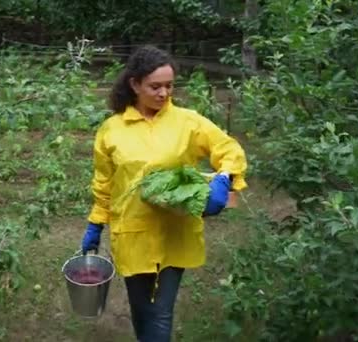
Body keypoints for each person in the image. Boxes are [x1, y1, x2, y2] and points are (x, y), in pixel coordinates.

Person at [80, 45, 248, 342]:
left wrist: (224, 178)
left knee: (160, 313)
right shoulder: (112, 129)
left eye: (169, 86)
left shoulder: (188, 122)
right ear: (135, 84)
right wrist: (96, 223)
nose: (163, 93)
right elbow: (104, 181)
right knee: (142, 309)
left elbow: (228, 149)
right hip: (132, 232)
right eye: (155, 86)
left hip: (174, 231)